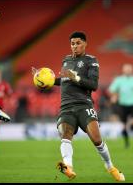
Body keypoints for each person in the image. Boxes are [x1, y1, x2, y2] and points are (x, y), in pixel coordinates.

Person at [32, 31, 125, 181]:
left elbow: (93, 85)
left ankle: (110, 166)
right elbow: (64, 81)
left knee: (97, 140)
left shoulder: (91, 61)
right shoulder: (66, 60)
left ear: (85, 44)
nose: (75, 46)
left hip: (84, 105)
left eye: (78, 43)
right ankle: (68, 167)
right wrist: (44, 81)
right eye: (72, 44)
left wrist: (75, 77)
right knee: (65, 135)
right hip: (66, 107)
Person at [109, 63, 133, 148]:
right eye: (126, 69)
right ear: (123, 70)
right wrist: (115, 96)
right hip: (122, 105)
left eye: (129, 69)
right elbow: (111, 90)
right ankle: (126, 142)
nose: (128, 71)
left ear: (132, 70)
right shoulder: (119, 80)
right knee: (123, 125)